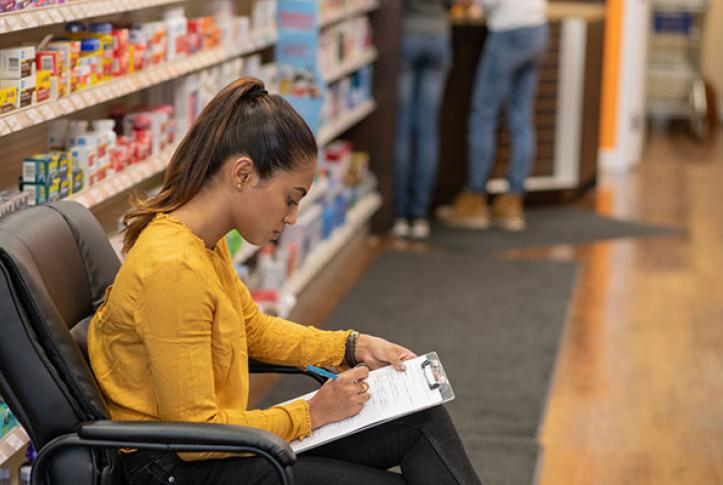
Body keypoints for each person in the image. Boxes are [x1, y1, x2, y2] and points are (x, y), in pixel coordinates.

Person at [88, 77, 482, 485]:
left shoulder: (202, 243)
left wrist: (352, 345)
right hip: (181, 467)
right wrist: (312, 413)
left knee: (419, 419)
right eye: (290, 198)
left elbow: (253, 331)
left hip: (218, 447)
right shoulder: (172, 268)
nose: (291, 217)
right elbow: (194, 432)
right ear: (242, 173)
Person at [437, 0, 549, 231]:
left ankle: (474, 200)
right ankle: (512, 202)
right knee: (520, 118)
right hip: (537, 29)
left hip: (509, 31)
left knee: (483, 115)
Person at [391, 0, 452, 240]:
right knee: (427, 130)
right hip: (438, 36)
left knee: (402, 129)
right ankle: (420, 215)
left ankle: (399, 214)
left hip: (408, 34)